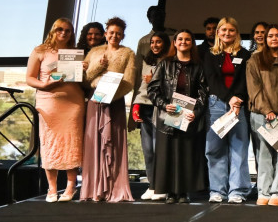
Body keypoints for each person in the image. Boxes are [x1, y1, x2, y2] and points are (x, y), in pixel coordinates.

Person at [25, 18, 85, 202]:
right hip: (48, 102)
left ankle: (70, 187)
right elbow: (29, 78)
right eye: (60, 29)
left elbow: (81, 80)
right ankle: (51, 189)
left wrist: (84, 69)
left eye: (68, 30)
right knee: (49, 143)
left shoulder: (74, 52)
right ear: (53, 30)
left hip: (73, 103)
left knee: (72, 143)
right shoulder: (39, 51)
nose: (64, 33)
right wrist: (45, 84)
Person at [147, 30, 209, 204]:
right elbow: (153, 89)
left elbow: (203, 92)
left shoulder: (199, 65)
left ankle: (183, 192)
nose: (183, 42)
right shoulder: (165, 63)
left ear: (192, 43)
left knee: (186, 155)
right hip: (168, 116)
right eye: (180, 39)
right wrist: (163, 104)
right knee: (168, 154)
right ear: (174, 43)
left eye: (187, 39)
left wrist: (195, 112)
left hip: (188, 117)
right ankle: (170, 193)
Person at [81, 16, 136, 202]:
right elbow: (85, 79)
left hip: (115, 103)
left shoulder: (128, 53)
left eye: (118, 33)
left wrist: (111, 95)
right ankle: (94, 189)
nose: (114, 35)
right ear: (106, 34)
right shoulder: (94, 52)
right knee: (94, 144)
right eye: (111, 32)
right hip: (94, 102)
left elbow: (129, 82)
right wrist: (98, 66)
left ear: (122, 36)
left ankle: (115, 188)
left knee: (115, 145)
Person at [203, 17, 252, 203]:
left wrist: (237, 98)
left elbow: (245, 81)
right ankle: (217, 191)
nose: (227, 33)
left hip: (238, 106)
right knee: (214, 149)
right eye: (223, 30)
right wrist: (229, 98)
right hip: (216, 104)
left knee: (239, 149)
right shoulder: (209, 54)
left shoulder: (245, 54)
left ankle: (237, 192)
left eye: (231, 30)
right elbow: (212, 79)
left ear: (236, 33)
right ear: (218, 32)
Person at [246, 24, 278, 206]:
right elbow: (254, 89)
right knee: (262, 153)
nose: (273, 38)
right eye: (270, 35)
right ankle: (263, 191)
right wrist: (268, 111)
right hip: (261, 114)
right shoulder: (254, 60)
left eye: (277, 35)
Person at [132, 32, 171, 201]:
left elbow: (173, 87)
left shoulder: (170, 62)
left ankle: (162, 185)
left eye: (159, 42)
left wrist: (154, 81)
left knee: (160, 149)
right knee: (148, 150)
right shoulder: (147, 60)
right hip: (146, 108)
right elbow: (142, 86)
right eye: (153, 42)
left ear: (166, 44)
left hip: (163, 109)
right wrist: (136, 106)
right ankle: (152, 184)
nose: (155, 45)